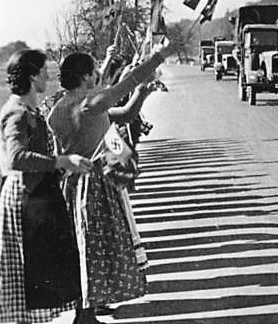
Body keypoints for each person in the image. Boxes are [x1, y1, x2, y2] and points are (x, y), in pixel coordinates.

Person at [47, 43, 173, 323]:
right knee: (97, 250)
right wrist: (160, 57)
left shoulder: (56, 110)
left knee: (81, 251)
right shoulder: (91, 102)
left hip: (70, 187)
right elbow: (129, 81)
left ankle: (85, 313)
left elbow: (62, 152)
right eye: (93, 71)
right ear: (84, 76)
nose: (97, 76)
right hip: (95, 186)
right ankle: (86, 315)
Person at [0, 49, 93, 324]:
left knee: (40, 275)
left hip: (38, 196)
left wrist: (60, 166)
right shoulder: (17, 112)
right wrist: (60, 160)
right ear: (31, 76)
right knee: (27, 276)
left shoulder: (28, 109)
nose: (48, 75)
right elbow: (16, 158)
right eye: (43, 71)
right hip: (25, 200)